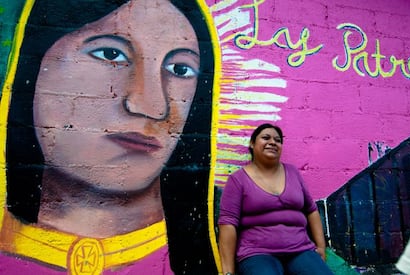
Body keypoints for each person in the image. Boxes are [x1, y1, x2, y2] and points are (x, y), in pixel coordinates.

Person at [0, 0, 217, 274]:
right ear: (32, 65)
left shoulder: (227, 228)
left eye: (180, 70)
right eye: (111, 54)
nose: (152, 107)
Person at [218, 123, 333, 275]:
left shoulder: (293, 173)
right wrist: (227, 272)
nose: (272, 142)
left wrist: (320, 247)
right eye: (266, 138)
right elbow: (227, 224)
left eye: (277, 140)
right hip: (257, 253)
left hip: (300, 250)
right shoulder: (238, 180)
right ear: (252, 144)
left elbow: (311, 210)